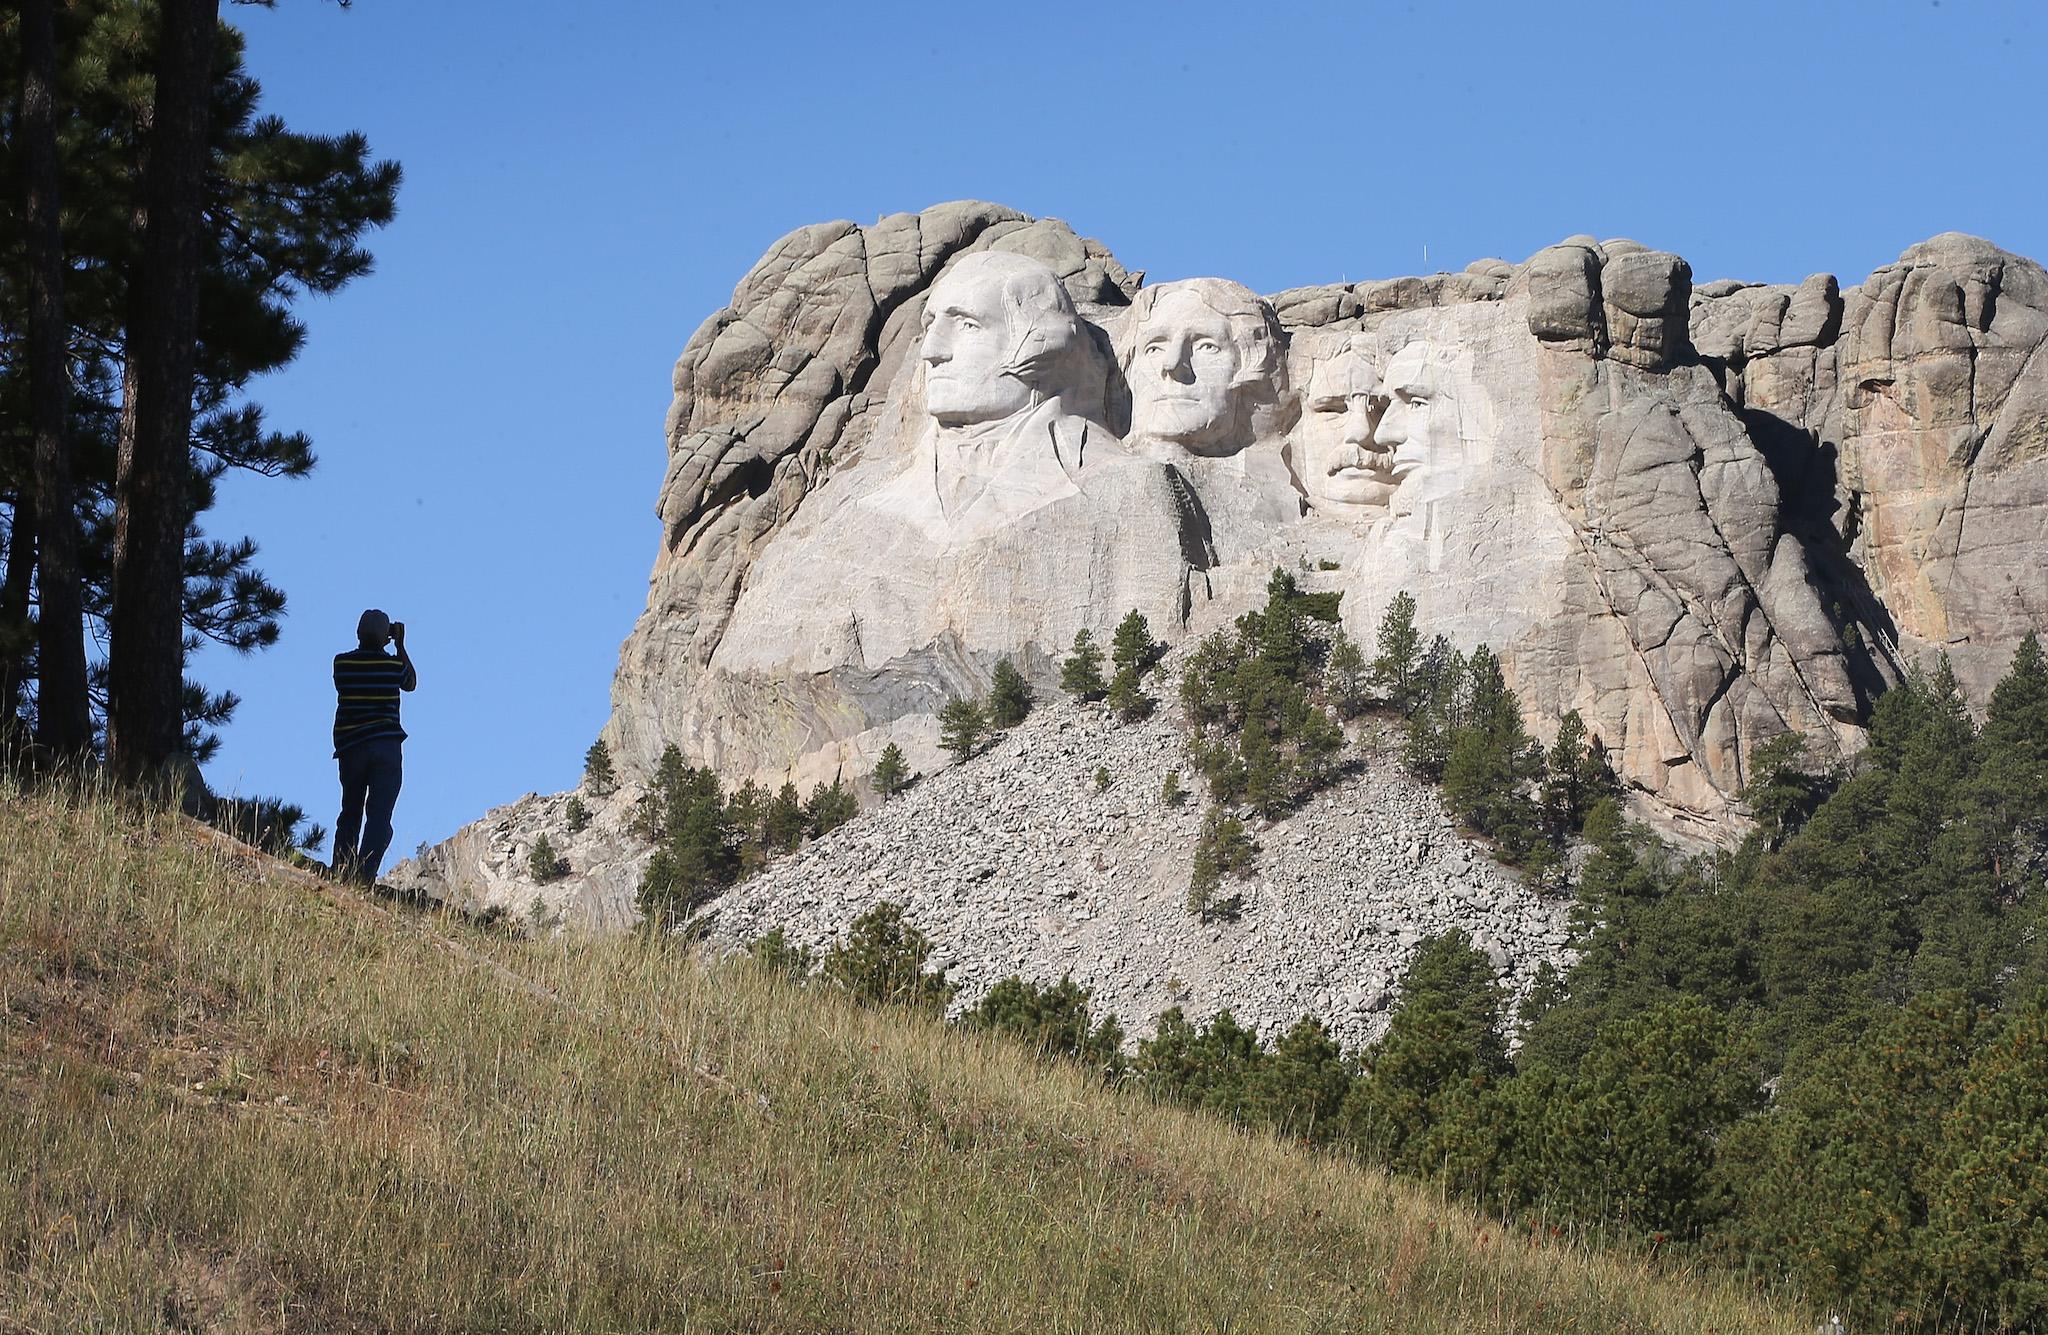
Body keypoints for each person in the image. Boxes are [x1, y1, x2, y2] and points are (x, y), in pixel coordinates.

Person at [332, 608, 416, 884]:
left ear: (357, 633)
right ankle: (364, 876)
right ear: (385, 638)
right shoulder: (393, 666)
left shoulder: (341, 664)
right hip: (386, 746)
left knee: (350, 811)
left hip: (351, 747)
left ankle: (342, 870)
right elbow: (411, 682)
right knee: (379, 816)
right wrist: (400, 646)